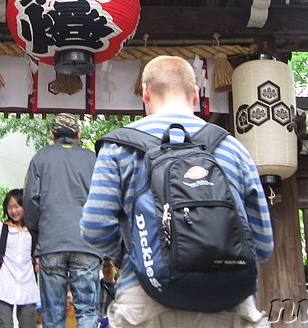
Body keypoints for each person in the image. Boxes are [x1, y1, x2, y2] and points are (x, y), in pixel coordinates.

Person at [80, 55, 274, 327]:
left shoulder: (119, 147)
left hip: (145, 303)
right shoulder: (233, 148)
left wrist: (144, 254)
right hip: (231, 306)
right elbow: (263, 245)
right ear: (195, 95)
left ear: (145, 93)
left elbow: (94, 227)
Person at [23, 113, 101, 328]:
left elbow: (29, 199)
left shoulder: (41, 157)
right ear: (79, 134)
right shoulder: (92, 159)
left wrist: (39, 233)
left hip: (51, 242)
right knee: (87, 311)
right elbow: (106, 200)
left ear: (52, 135)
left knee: (53, 313)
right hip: (87, 243)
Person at [0, 188, 40, 328]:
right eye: (10, 207)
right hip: (4, 284)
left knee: (28, 323)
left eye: (17, 206)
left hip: (27, 284)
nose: (13, 211)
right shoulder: (3, 229)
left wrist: (39, 263)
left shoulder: (33, 231)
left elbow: (40, 252)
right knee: (4, 323)